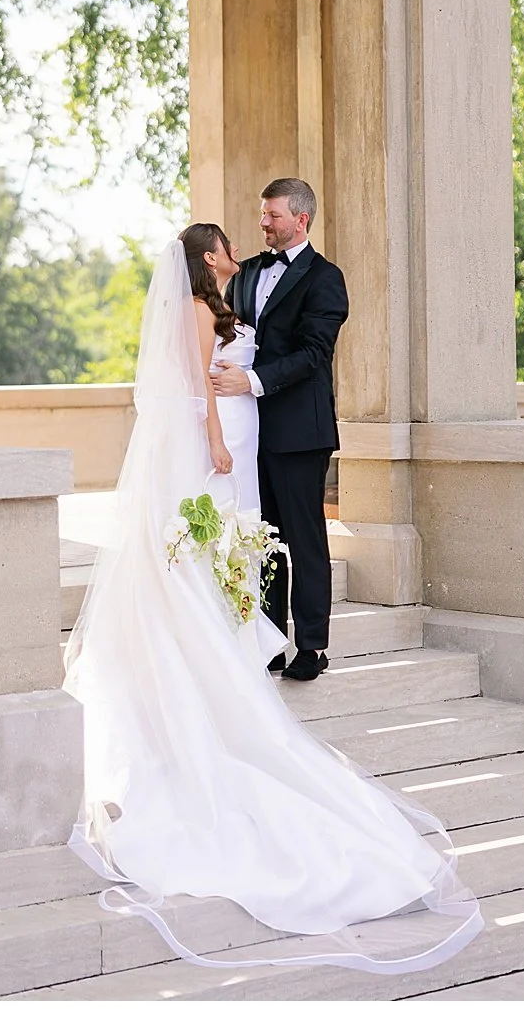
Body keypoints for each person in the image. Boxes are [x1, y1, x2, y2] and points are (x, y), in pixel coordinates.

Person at [59, 213, 481, 974]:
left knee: (252, 550)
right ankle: (228, 653)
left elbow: (302, 352)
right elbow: (191, 384)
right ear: (207, 257)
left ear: (301, 216)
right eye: (228, 238)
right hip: (217, 441)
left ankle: (279, 642)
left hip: (257, 434)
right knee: (213, 554)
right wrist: (218, 436)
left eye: (265, 220)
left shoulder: (286, 283)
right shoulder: (204, 302)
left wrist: (237, 403)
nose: (245, 242)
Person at [210, 178, 345, 681]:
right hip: (249, 433)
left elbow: (314, 354)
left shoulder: (326, 278)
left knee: (303, 539)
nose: (264, 223)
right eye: (263, 214)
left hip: (299, 432)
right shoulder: (244, 274)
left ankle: (312, 647)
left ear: (301, 220)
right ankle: (268, 640)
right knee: (260, 538)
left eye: (273, 216)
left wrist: (252, 380)